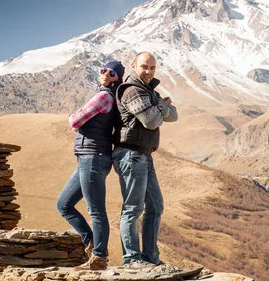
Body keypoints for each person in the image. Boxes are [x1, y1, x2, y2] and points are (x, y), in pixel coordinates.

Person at [56, 60, 125, 271]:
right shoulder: (106, 94)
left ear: (118, 78)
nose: (106, 74)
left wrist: (74, 118)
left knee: (96, 211)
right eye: (103, 70)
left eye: (112, 72)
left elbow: (75, 121)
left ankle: (99, 258)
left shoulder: (104, 96)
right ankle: (92, 243)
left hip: (93, 156)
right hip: (89, 157)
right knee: (64, 205)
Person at [113, 52, 178, 269]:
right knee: (132, 209)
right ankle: (132, 259)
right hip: (130, 155)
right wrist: (161, 104)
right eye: (144, 67)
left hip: (144, 156)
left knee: (156, 206)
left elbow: (174, 116)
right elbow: (151, 122)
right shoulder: (132, 90)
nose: (148, 71)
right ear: (133, 66)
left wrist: (157, 106)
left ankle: (150, 258)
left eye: (152, 67)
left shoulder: (148, 91)